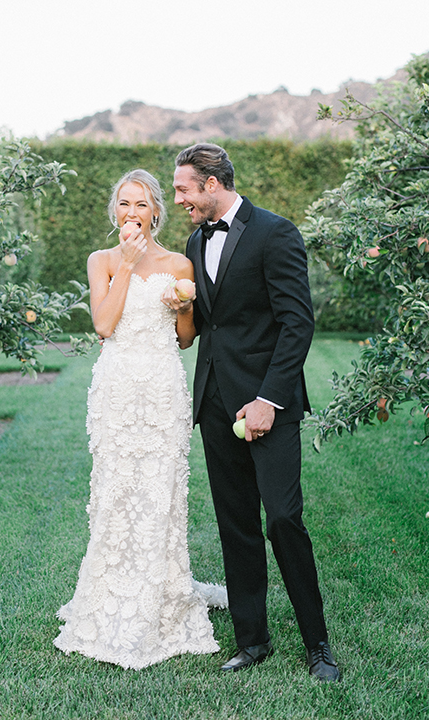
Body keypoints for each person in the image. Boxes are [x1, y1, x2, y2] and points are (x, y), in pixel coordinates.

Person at [170, 144, 340, 681]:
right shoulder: (196, 240)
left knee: (284, 519)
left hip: (269, 403)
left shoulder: (276, 232)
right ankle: (252, 640)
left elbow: (298, 324)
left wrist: (268, 400)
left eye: (183, 190)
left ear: (213, 183)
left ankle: (318, 646)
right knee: (235, 524)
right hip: (216, 402)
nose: (178, 201)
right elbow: (208, 324)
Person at [53, 169, 227, 670]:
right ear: (116, 211)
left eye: (142, 203)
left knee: (160, 494)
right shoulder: (102, 260)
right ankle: (109, 593)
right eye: (124, 203)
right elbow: (104, 325)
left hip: (163, 390)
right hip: (116, 391)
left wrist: (182, 303)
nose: (132, 212)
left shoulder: (178, 262)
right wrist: (127, 266)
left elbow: (187, 337)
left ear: (156, 211)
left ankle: (164, 592)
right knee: (115, 491)